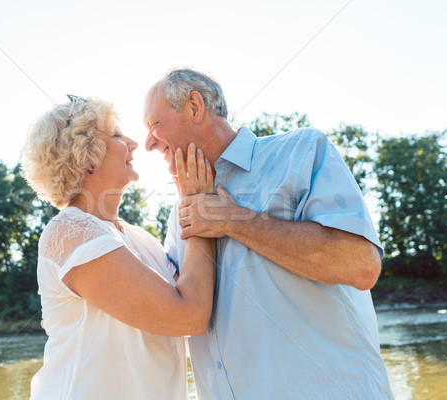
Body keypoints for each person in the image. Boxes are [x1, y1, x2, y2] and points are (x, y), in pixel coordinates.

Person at [144, 69, 395, 399]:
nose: (148, 143)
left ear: (194, 107)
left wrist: (235, 220)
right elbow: (184, 313)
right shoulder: (182, 212)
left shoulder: (300, 153)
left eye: (153, 125)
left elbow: (360, 264)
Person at [21, 95, 216, 400]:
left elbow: (193, 305)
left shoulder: (139, 238)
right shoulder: (71, 231)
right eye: (116, 135)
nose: (133, 143)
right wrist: (198, 206)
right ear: (87, 157)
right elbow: (188, 316)